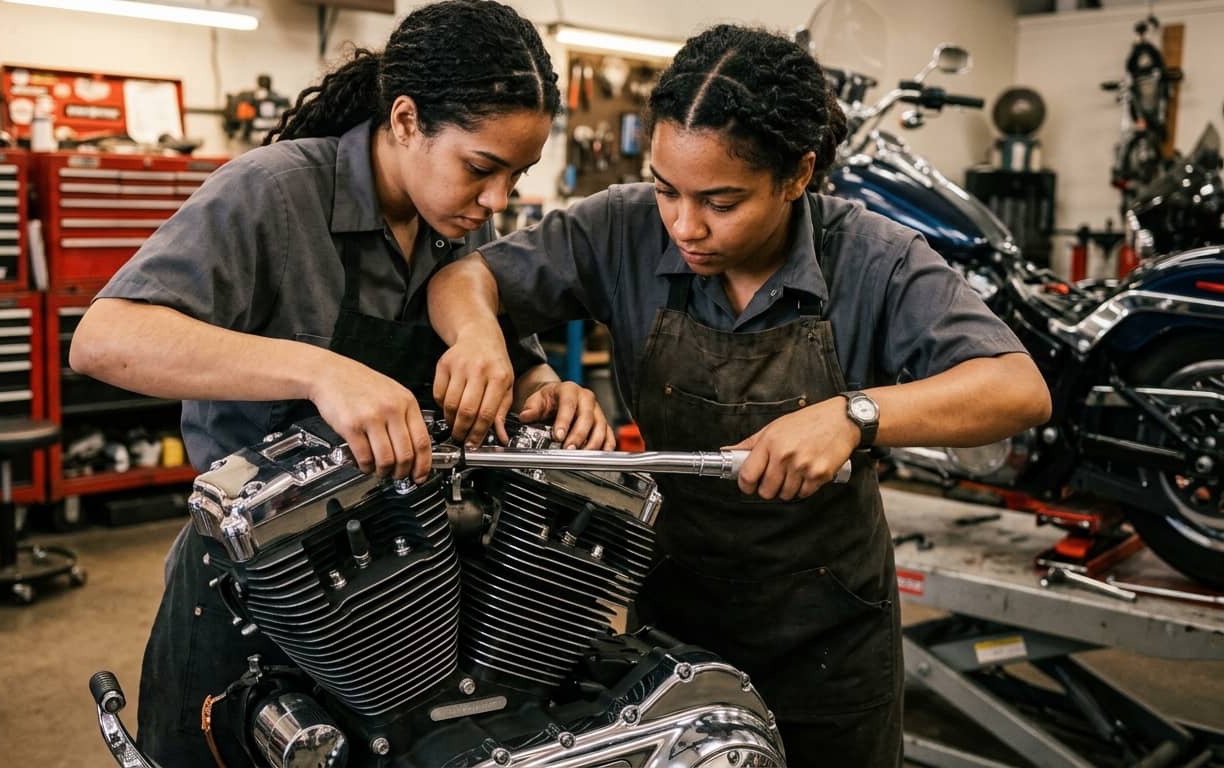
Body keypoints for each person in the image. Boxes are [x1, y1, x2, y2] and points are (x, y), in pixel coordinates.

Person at [427, 24, 1052, 768]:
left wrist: (855, 415)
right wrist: (483, 344)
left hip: (827, 637)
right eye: (667, 190)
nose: (685, 226)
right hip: (673, 619)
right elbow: (464, 278)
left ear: (797, 175)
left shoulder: (873, 257)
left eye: (721, 201)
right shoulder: (622, 226)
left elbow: (1018, 388)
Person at [69, 3, 612, 764]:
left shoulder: (453, 221)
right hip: (253, 591)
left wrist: (545, 388)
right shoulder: (274, 192)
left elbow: (506, 356)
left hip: (396, 590)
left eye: (515, 176)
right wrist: (321, 371)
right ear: (404, 120)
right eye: (482, 169)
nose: (499, 201)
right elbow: (104, 339)